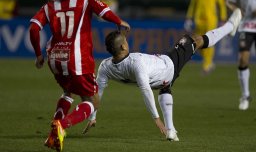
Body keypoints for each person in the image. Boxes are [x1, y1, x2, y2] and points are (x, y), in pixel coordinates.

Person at [83, 9, 242, 141]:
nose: (127, 41)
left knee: (165, 87)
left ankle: (171, 131)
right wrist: (156, 119)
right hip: (168, 66)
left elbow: (97, 92)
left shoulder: (105, 66)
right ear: (123, 47)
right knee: (194, 40)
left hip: (157, 79)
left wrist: (93, 117)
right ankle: (230, 26)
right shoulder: (135, 62)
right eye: (125, 41)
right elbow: (145, 91)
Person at [29, 0, 130, 151]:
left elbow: (34, 28)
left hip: (55, 57)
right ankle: (61, 126)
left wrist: (38, 55)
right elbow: (104, 10)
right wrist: (119, 21)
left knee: (68, 92)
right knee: (92, 102)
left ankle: (54, 133)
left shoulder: (51, 4)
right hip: (77, 59)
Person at [185, 0, 227, 74]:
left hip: (211, 20)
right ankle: (209, 62)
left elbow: (221, 5)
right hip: (199, 20)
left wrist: (223, 18)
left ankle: (206, 65)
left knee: (209, 41)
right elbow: (192, 5)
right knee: (198, 43)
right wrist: (189, 18)